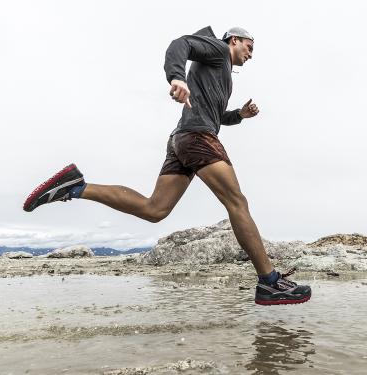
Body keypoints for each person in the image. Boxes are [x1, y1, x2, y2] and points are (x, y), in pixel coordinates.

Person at [23, 26, 311, 305]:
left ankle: (76, 187)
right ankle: (269, 282)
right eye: (250, 47)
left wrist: (240, 115)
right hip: (198, 137)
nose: (251, 54)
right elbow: (180, 43)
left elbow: (216, 114)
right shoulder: (217, 50)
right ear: (235, 40)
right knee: (237, 202)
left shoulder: (222, 71)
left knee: (155, 209)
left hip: (182, 139)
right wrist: (176, 77)